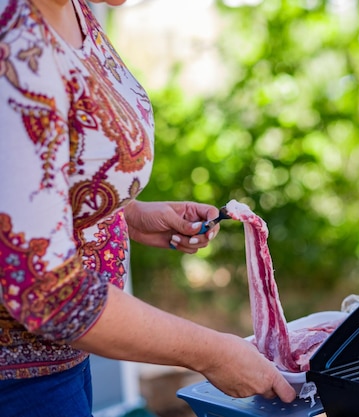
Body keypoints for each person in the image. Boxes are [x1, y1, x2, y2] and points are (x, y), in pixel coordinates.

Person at [0, 0, 297, 415]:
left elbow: (31, 180)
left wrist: (124, 213)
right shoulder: (13, 38)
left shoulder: (72, 7)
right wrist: (211, 353)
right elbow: (47, 292)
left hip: (65, 359)